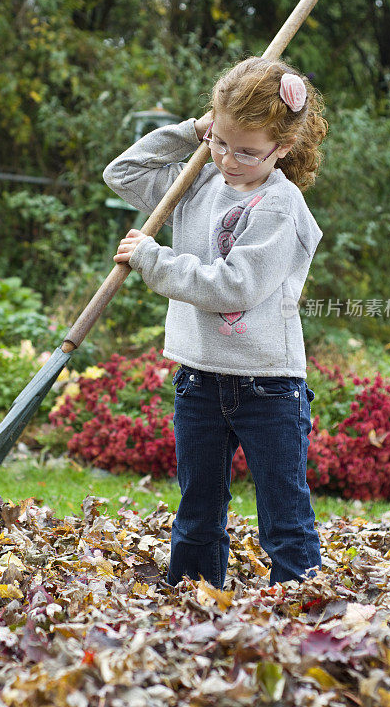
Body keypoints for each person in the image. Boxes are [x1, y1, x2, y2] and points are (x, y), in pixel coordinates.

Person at [103, 56, 328, 589]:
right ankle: (193, 606)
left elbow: (235, 286)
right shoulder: (196, 181)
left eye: (248, 152)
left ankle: (306, 613)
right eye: (223, 143)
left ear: (284, 149)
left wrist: (152, 260)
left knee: (285, 519)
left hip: (269, 385)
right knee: (197, 515)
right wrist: (191, 133)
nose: (230, 160)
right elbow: (123, 173)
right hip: (199, 379)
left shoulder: (280, 206)